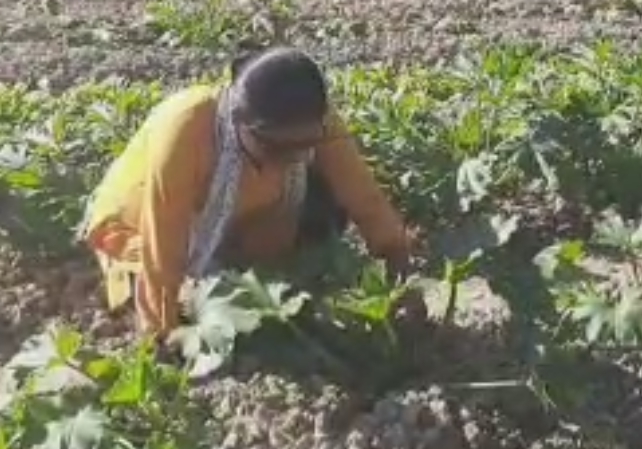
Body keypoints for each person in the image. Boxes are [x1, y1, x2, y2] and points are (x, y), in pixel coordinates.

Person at [81, 47, 419, 337]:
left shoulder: (314, 122)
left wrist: (398, 265)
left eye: (305, 147)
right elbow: (162, 242)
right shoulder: (186, 127)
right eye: (278, 149)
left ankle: (252, 267)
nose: (296, 159)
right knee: (183, 302)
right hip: (143, 221)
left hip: (244, 212)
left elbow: (363, 195)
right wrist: (161, 334)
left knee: (322, 201)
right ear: (241, 124)